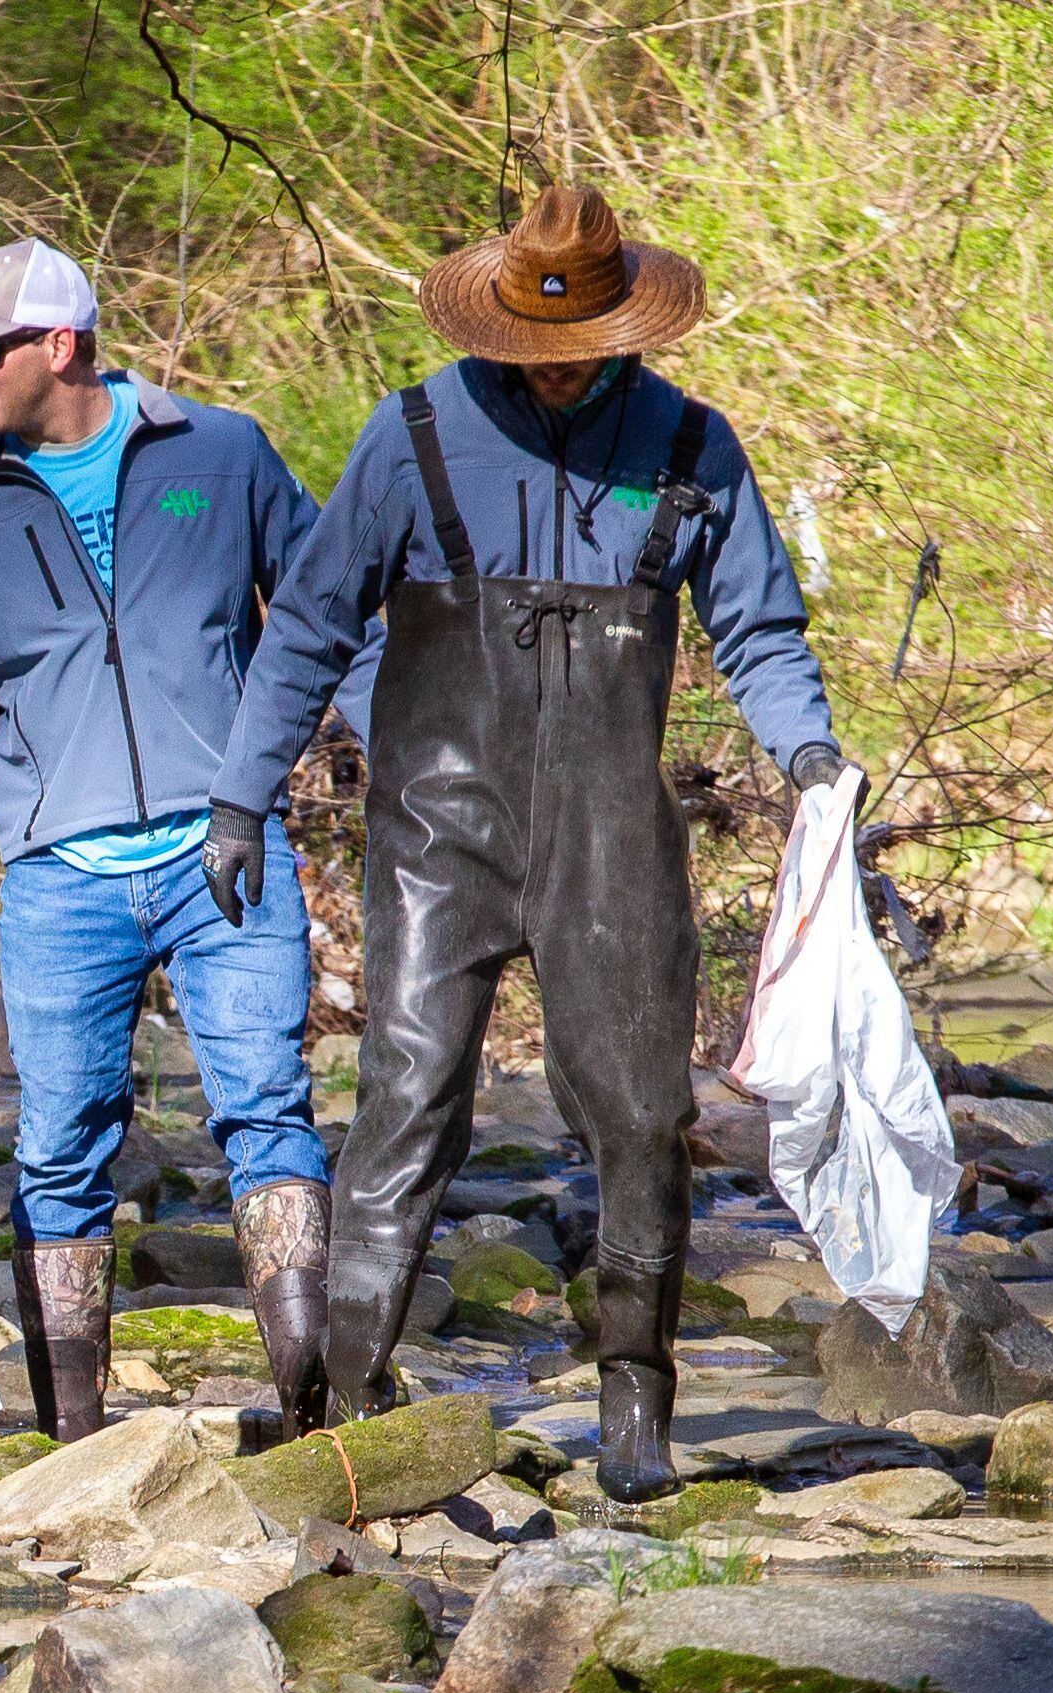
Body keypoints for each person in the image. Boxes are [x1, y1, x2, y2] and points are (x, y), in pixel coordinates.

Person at [207, 184, 848, 1500]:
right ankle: (350, 1394)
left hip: (611, 827)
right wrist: (238, 791)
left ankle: (635, 1408)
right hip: (435, 826)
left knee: (637, 1113)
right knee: (404, 1100)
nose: (553, 379)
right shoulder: (411, 436)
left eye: (578, 355)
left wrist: (811, 763)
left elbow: (762, 636)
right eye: (533, 355)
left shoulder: (692, 447)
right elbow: (312, 621)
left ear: (626, 330)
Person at [0, 238, 333, 1442]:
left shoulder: (219, 456)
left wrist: (364, 770)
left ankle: (312, 1414)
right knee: (58, 1144)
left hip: (224, 849)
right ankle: (73, 1441)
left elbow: (326, 617)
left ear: (58, 344)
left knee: (266, 1110)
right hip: (59, 876)